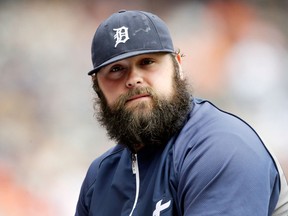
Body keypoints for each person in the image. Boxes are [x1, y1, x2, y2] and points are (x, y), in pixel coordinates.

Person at [75, 10, 288, 216]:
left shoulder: (221, 148)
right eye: (116, 69)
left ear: (178, 66)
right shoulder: (99, 177)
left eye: (147, 62)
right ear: (97, 87)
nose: (133, 79)